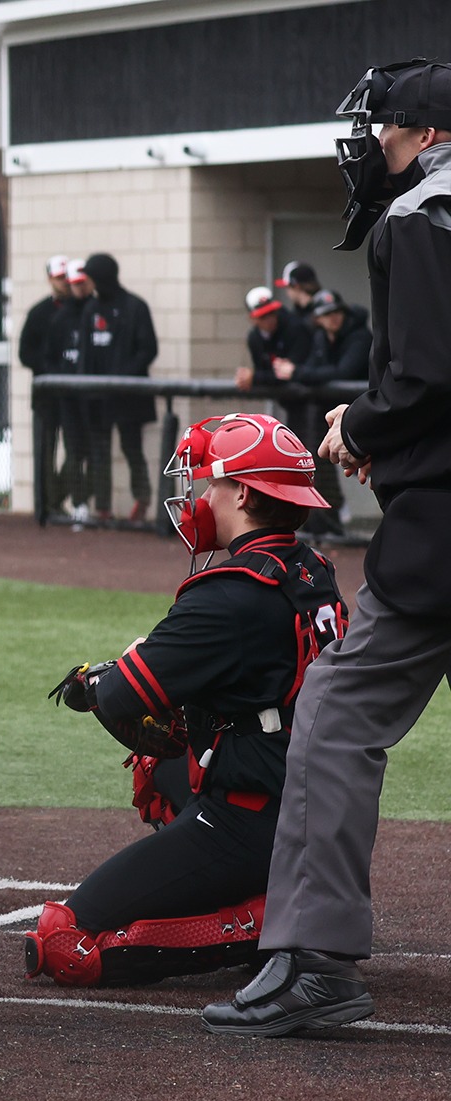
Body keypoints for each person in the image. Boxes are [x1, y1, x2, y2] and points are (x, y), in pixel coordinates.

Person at [202, 57, 451, 1038]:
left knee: (335, 711)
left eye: (383, 130)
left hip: (438, 534)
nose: (371, 146)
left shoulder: (418, 219)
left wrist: (359, 424)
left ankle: (312, 959)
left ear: (425, 135)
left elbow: (427, 375)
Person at [33, 414, 346, 987]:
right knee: (162, 763)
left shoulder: (230, 593)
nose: (200, 497)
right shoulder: (311, 569)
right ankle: (279, 890)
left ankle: (269, 923)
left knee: (63, 942)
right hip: (312, 799)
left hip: (256, 817)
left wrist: (94, 683)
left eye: (211, 484)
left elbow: (124, 694)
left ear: (245, 494)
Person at [271, 289, 367, 539]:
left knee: (375, 466)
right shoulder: (322, 337)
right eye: (326, 314)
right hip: (338, 416)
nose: (332, 318)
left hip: (368, 413)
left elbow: (343, 371)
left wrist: (296, 372)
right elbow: (317, 369)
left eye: (336, 312)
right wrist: (296, 371)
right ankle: (330, 518)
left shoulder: (359, 335)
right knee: (322, 459)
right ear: (318, 318)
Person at [77, 253, 159, 524]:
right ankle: (102, 508)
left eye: (92, 276)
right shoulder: (90, 310)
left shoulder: (135, 307)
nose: (89, 282)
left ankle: (142, 499)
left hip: (127, 397)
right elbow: (85, 354)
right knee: (99, 451)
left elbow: (148, 349)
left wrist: (121, 378)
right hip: (97, 397)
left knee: (131, 448)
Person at [21, 254, 76, 519]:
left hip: (73, 397)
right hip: (45, 397)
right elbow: (25, 353)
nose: (63, 283)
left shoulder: (81, 311)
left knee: (77, 450)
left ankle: (56, 498)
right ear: (50, 279)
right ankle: (45, 506)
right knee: (45, 451)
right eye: (58, 278)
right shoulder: (39, 312)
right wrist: (49, 370)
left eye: (66, 278)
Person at [54, 260, 99, 526]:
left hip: (92, 398)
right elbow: (48, 355)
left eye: (83, 282)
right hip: (69, 397)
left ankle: (90, 501)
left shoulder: (97, 310)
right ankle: (78, 503)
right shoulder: (61, 316)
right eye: (75, 284)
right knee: (73, 452)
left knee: (95, 452)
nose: (79, 288)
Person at [274, 261, 322, 327]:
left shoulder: (323, 311)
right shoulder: (296, 313)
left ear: (296, 286)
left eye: (288, 287)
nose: (287, 292)